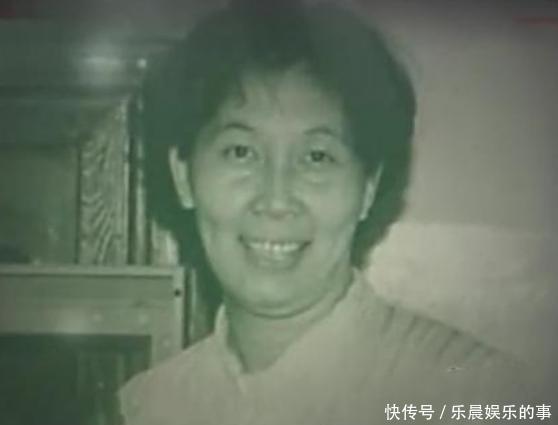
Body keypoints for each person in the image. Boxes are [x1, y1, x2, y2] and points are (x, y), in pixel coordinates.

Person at [119, 1, 530, 424]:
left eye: (317, 157)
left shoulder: (475, 395)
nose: (276, 199)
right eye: (240, 151)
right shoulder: (148, 408)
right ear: (183, 176)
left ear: (367, 189)